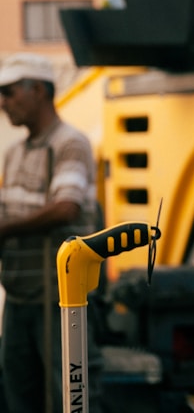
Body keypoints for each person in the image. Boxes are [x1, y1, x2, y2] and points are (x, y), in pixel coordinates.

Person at [0, 52, 100, 413]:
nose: (3, 103)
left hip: (59, 300)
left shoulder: (69, 143)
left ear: (39, 90)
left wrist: (5, 230)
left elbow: (65, 207)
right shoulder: (14, 153)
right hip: (20, 298)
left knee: (67, 397)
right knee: (18, 394)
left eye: (10, 92)